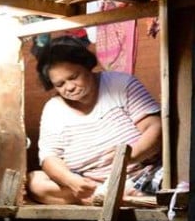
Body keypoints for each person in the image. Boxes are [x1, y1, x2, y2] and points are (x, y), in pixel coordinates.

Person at [26, 35, 163, 205]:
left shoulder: (119, 83)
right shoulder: (53, 109)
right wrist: (71, 180)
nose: (69, 87)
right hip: (89, 185)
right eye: (60, 84)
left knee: (168, 178)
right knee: (35, 182)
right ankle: (108, 197)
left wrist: (130, 156)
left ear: (87, 66)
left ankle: (114, 197)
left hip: (138, 174)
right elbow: (49, 157)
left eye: (73, 77)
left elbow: (155, 128)